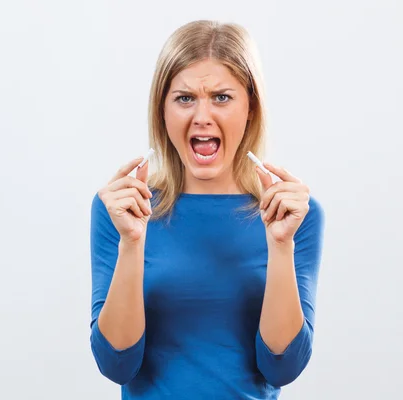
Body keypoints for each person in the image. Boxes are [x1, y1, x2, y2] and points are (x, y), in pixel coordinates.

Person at [89, 20, 325, 399]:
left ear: (251, 106)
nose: (202, 116)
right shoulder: (123, 210)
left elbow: (282, 367)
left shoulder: (294, 213)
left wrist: (281, 246)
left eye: (221, 97)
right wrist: (131, 243)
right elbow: (117, 364)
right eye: (184, 98)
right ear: (162, 111)